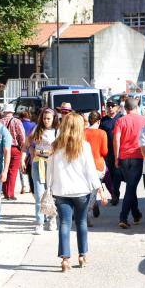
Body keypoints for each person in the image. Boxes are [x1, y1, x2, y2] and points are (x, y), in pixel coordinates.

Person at [46, 113, 102, 272]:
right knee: (81, 223)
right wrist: (100, 189)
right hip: (81, 191)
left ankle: (65, 259)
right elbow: (90, 171)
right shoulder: (84, 146)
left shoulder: (55, 145)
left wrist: (48, 188)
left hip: (60, 190)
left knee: (64, 223)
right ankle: (82, 255)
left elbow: (50, 170)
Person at [113, 98, 145, 229]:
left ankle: (136, 213)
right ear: (137, 106)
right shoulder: (144, 120)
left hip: (124, 157)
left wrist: (116, 157)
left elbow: (116, 140)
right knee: (131, 188)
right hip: (138, 156)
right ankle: (123, 217)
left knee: (130, 187)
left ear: (125, 108)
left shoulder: (120, 121)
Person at [25, 107, 58, 234]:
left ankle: (52, 218)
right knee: (39, 194)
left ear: (53, 118)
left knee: (51, 193)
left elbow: (59, 148)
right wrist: (31, 153)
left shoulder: (57, 131)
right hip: (38, 164)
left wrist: (48, 152)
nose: (46, 121)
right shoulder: (37, 129)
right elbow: (28, 142)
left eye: (48, 118)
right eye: (44, 118)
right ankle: (39, 222)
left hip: (52, 164)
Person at [84, 111, 108, 224]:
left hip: (84, 165)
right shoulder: (102, 133)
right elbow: (105, 151)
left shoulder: (82, 132)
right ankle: (87, 213)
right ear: (99, 121)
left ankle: (90, 207)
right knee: (93, 190)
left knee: (86, 190)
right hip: (98, 165)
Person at [0, 103, 26, 200]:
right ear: (12, 112)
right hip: (14, 148)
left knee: (4, 169)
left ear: (4, 112)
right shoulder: (17, 121)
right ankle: (10, 193)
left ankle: (5, 191)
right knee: (13, 171)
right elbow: (21, 136)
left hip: (2, 148)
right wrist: (23, 147)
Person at [99, 100, 122, 205]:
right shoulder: (103, 121)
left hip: (120, 152)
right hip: (107, 153)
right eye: (108, 106)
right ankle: (113, 194)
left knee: (117, 175)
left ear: (118, 107)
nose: (110, 108)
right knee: (109, 175)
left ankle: (115, 193)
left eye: (113, 106)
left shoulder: (121, 119)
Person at [18, 111, 36, 194]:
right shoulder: (34, 125)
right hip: (32, 151)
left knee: (22, 170)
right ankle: (31, 187)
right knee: (31, 172)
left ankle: (23, 186)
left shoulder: (19, 124)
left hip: (22, 149)